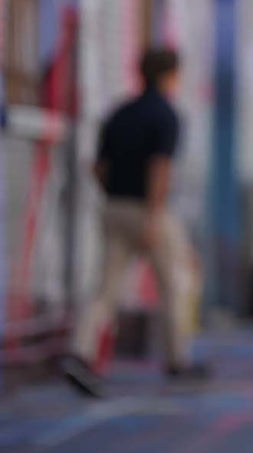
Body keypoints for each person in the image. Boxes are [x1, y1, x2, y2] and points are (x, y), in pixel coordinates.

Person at [60, 47, 209, 397]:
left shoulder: (119, 113)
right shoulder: (167, 115)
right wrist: (154, 216)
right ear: (170, 74)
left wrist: (113, 194)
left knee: (105, 288)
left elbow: (98, 166)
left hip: (114, 206)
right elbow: (160, 168)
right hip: (148, 209)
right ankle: (177, 359)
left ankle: (79, 352)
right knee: (176, 283)